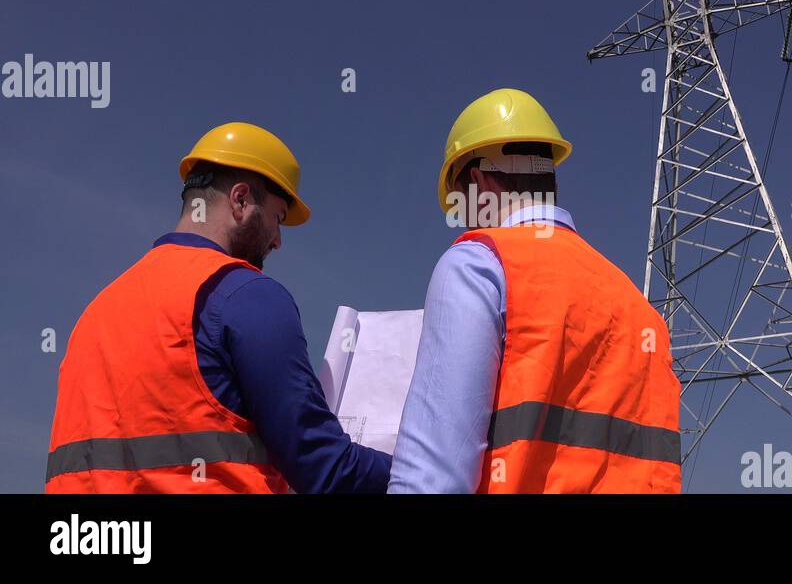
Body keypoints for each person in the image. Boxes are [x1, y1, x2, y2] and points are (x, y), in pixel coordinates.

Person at [45, 121, 390, 493]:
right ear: (240, 200)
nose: (277, 240)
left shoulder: (95, 314)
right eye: (277, 218)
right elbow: (326, 468)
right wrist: (428, 468)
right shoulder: (245, 295)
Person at [389, 88, 682, 493]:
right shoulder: (641, 312)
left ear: (477, 182)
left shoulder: (479, 266)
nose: (462, 220)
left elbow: (433, 479)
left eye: (458, 203)